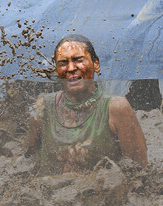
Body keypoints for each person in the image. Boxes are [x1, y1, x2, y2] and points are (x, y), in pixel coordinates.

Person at [23, 34, 147, 174]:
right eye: (63, 63)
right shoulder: (43, 107)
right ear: (57, 71)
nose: (70, 68)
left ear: (96, 65)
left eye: (78, 60)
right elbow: (24, 161)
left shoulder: (116, 108)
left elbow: (139, 173)